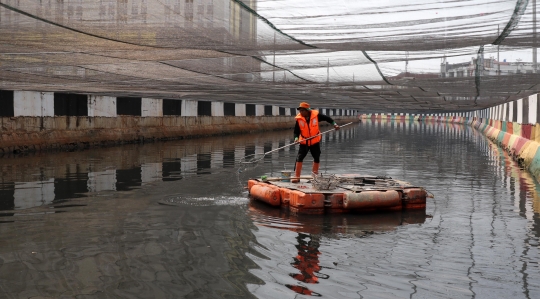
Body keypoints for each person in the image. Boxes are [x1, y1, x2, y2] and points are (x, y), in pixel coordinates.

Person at [292, 102, 339, 183]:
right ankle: (297, 176)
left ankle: (315, 176)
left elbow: (327, 118)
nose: (301, 112)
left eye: (303, 111)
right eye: (300, 111)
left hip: (314, 141)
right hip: (304, 142)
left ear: (307, 110)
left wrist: (335, 124)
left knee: (316, 157)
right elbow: (296, 131)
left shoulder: (316, 116)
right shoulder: (299, 119)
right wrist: (296, 138)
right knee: (299, 158)